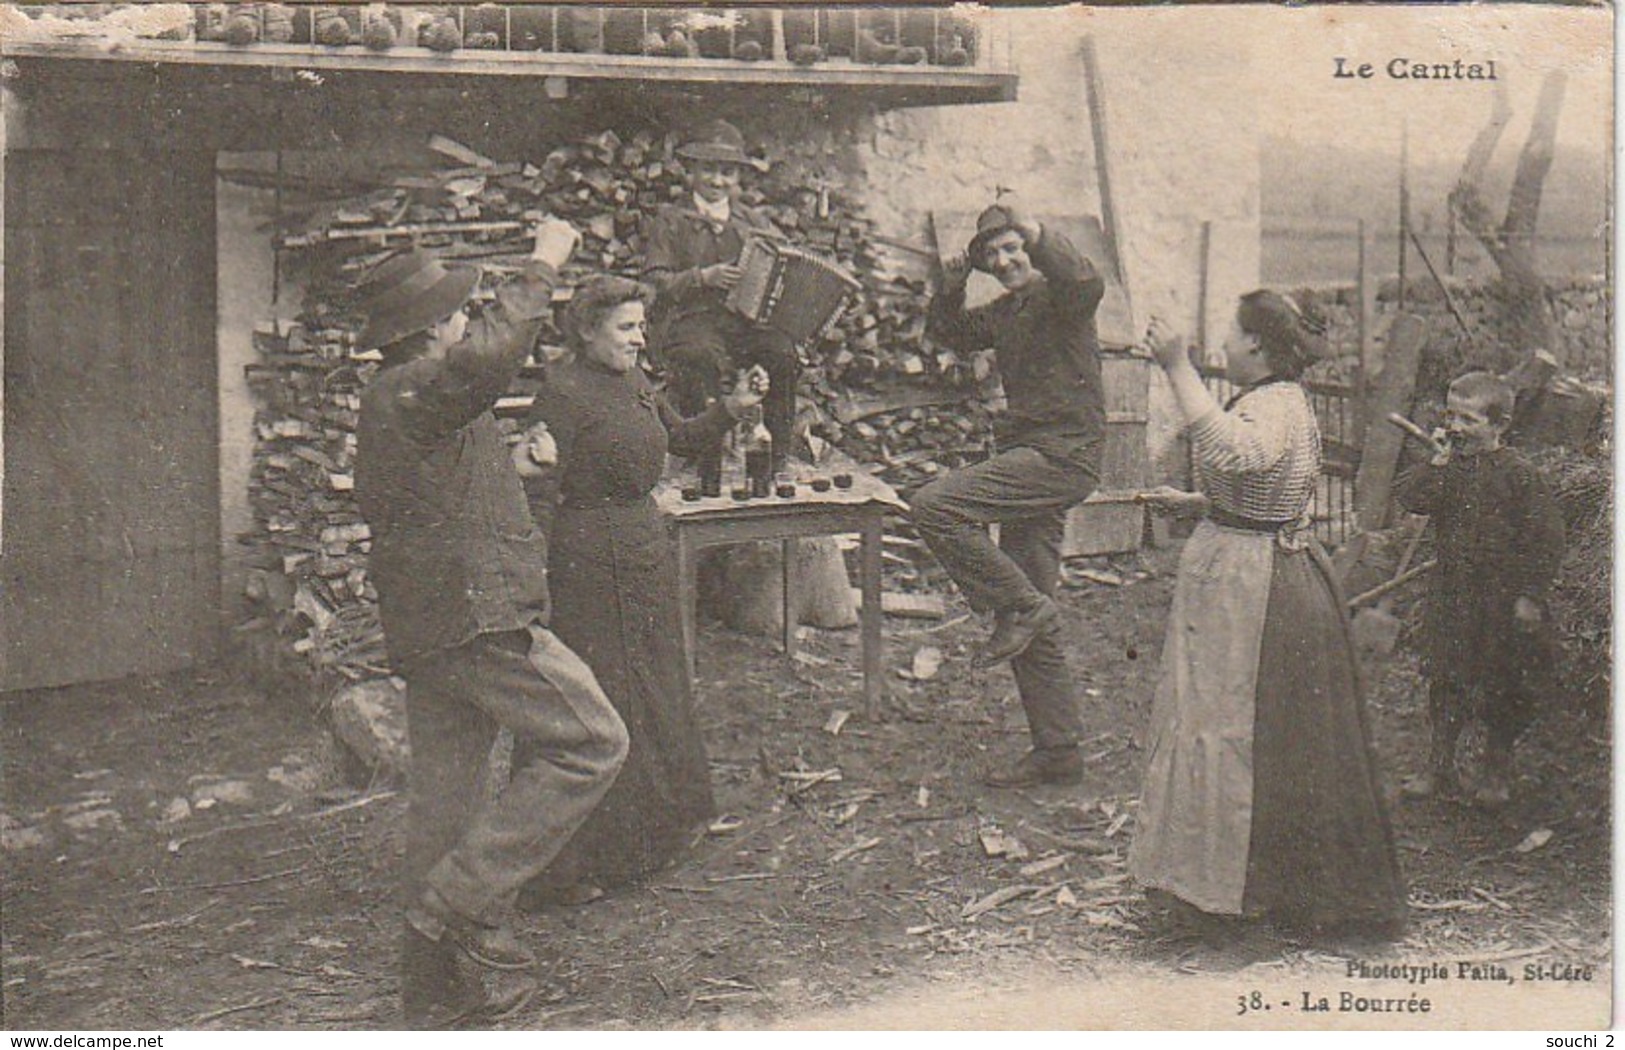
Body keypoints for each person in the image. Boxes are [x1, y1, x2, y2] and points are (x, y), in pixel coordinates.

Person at [354, 221, 630, 1028]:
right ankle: (458, 903)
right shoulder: (421, 383)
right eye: (457, 311)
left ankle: (438, 995)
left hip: (436, 622)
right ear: (431, 326)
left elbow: (443, 483)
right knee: (592, 741)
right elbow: (485, 359)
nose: (466, 319)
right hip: (477, 616)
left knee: (445, 803)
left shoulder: (410, 396)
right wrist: (543, 265)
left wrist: (518, 464)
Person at [1130, 292, 1406, 940]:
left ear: (1255, 344)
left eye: (1230, 330)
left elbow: (1236, 453)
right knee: (1217, 718)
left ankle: (1250, 895)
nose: (1223, 341)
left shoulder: (1272, 403)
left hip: (1254, 581)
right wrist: (1198, 502)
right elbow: (1259, 481)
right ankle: (1214, 884)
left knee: (1239, 727)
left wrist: (1175, 366)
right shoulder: (1273, 402)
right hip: (1243, 563)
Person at [510, 276, 768, 903]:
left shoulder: (631, 380)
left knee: (653, 685)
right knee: (604, 700)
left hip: (642, 546)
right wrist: (531, 580)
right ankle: (580, 864)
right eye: (626, 327)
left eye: (641, 325)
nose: (639, 337)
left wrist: (729, 410)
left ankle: (657, 834)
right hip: (590, 562)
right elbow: (537, 489)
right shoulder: (563, 394)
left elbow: (676, 438)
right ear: (587, 331)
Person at [908, 202, 1105, 787]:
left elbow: (1083, 280)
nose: (1005, 260)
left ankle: (1017, 606)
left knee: (933, 504)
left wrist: (1041, 233)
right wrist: (950, 287)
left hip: (1061, 456)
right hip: (1032, 456)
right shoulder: (1008, 309)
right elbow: (950, 333)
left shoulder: (1063, 299)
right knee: (1032, 594)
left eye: (1013, 248)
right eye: (993, 255)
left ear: (1031, 247)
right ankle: (1059, 750)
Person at [1394, 370, 1564, 808]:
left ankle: (1496, 770)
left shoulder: (1520, 476)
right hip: (1453, 594)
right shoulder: (1449, 467)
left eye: (1468, 420)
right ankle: (1441, 765)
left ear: (1499, 424)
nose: (1455, 428)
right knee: (1446, 680)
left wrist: (1529, 596)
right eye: (1451, 416)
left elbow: (1545, 540)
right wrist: (1435, 463)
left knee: (1501, 685)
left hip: (1500, 600)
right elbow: (1412, 498)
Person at [642, 119, 798, 477]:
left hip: (741, 322)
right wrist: (701, 277)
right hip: (689, 322)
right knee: (700, 356)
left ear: (737, 178)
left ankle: (777, 457)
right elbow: (653, 281)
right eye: (709, 171)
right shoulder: (670, 219)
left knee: (782, 354)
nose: (717, 181)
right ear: (691, 171)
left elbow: (782, 263)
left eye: (727, 173)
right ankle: (704, 456)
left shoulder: (750, 220)